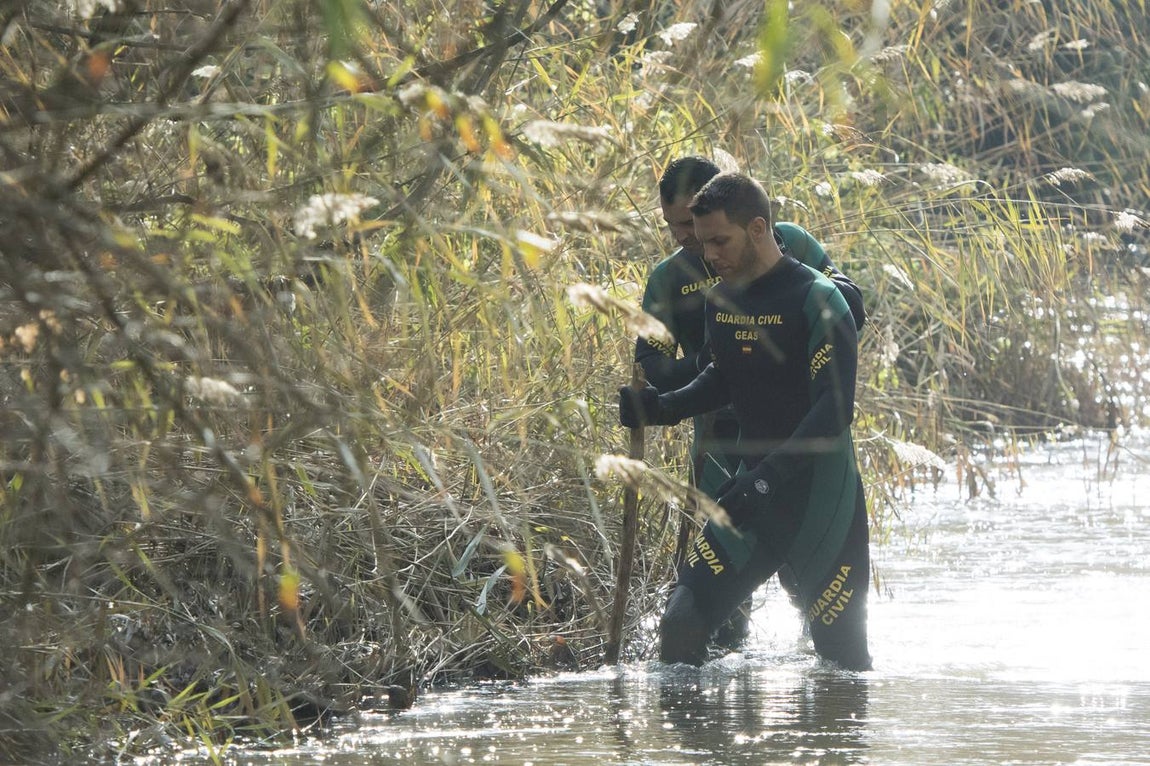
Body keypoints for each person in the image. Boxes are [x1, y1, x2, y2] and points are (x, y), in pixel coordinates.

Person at [621, 171, 872, 670]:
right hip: (750, 503)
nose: (708, 254)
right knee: (681, 624)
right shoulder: (723, 301)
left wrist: (764, 480)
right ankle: (698, 725)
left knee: (842, 668)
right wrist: (661, 408)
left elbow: (833, 411)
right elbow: (723, 378)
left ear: (757, 228)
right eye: (702, 242)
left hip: (822, 506)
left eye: (720, 241)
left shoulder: (820, 299)